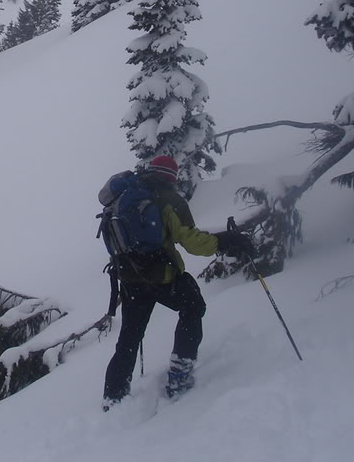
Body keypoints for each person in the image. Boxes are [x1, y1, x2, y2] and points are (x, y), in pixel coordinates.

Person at [101, 154, 254, 410]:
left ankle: (113, 397)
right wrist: (226, 241)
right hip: (161, 275)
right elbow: (192, 242)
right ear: (171, 176)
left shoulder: (124, 197)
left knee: (129, 337)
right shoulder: (168, 199)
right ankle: (180, 375)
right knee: (193, 307)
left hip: (129, 277)